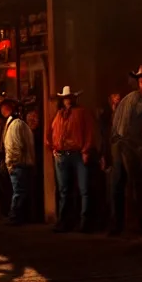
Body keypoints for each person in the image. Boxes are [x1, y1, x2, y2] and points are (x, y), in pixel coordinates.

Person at [109, 66, 142, 235]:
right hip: (124, 144)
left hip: (136, 145)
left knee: (138, 184)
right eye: (141, 78)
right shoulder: (133, 99)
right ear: (138, 81)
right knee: (125, 184)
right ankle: (123, 226)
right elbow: (122, 128)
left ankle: (138, 225)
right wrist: (130, 147)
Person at [47, 86, 94, 232]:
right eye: (66, 98)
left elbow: (89, 132)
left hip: (78, 153)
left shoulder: (82, 113)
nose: (68, 100)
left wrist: (86, 150)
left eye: (69, 98)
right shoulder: (59, 114)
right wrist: (53, 147)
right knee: (64, 190)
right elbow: (51, 131)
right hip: (62, 155)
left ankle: (85, 222)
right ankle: (64, 221)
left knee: (83, 189)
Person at [0, 99, 36, 225]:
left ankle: (18, 216)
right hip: (19, 164)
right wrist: (13, 163)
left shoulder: (15, 124)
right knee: (19, 191)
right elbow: (14, 146)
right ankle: (14, 216)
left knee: (20, 191)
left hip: (20, 163)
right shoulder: (16, 124)